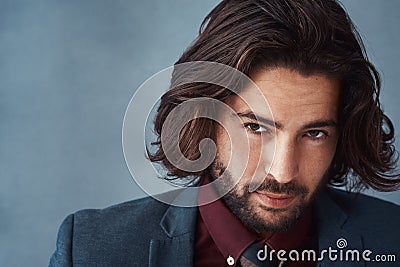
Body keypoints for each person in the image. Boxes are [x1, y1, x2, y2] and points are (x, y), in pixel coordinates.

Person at [49, 0, 400, 266]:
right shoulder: (92, 251)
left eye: (315, 134)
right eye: (254, 127)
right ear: (205, 119)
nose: (281, 172)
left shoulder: (392, 240)